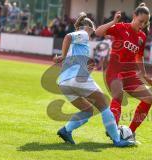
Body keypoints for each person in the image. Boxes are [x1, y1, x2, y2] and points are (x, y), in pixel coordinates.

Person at [53, 12, 134, 147]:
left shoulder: (77, 44)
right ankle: (117, 140)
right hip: (77, 79)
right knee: (104, 105)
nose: (91, 36)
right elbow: (67, 36)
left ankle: (66, 130)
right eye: (91, 32)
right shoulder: (83, 33)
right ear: (89, 28)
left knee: (87, 111)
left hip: (63, 83)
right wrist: (62, 55)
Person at [95, 3, 152, 142]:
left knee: (149, 99)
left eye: (145, 23)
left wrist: (143, 74)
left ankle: (129, 133)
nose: (142, 24)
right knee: (118, 95)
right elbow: (98, 32)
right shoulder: (121, 27)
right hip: (114, 71)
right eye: (140, 21)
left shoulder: (142, 36)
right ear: (134, 16)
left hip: (130, 74)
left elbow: (139, 56)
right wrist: (114, 21)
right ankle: (114, 132)